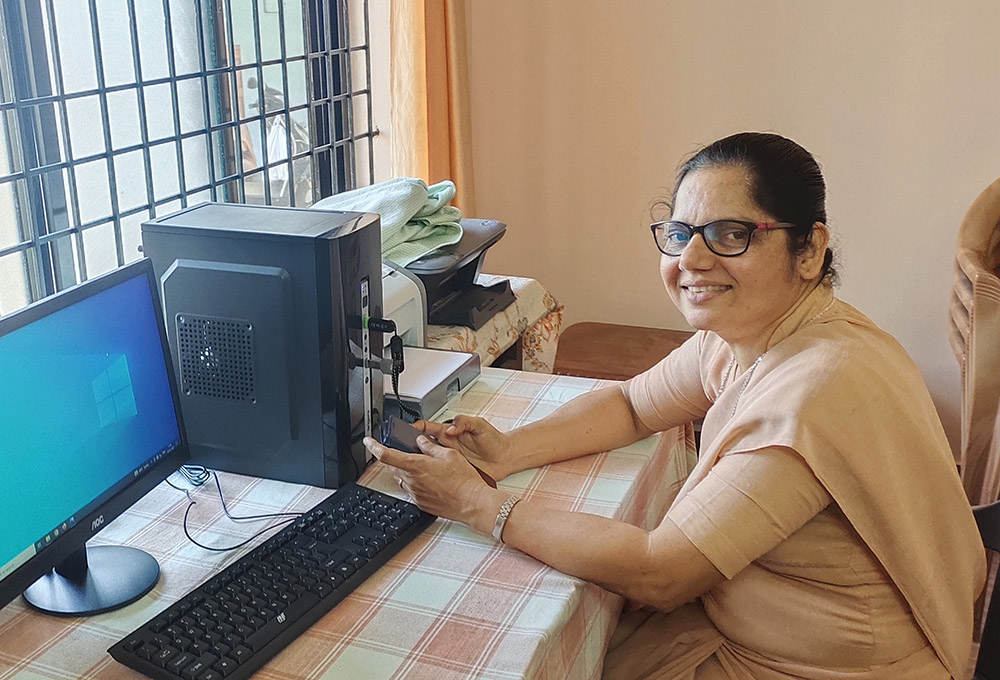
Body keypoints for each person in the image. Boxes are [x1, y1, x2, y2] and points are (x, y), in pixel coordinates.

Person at [363, 132, 986, 679]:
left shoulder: (819, 388)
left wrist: (478, 504)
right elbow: (634, 404)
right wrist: (509, 449)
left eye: (731, 234)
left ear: (809, 250)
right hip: (743, 630)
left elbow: (663, 573)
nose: (690, 259)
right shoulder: (748, 335)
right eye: (682, 233)